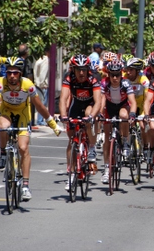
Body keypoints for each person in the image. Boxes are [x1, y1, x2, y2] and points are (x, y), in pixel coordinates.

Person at [0, 57, 60, 201]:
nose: (12, 76)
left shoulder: (28, 84)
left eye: (15, 73)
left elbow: (39, 106)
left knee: (23, 148)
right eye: (9, 73)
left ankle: (26, 186)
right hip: (6, 112)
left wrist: (52, 123)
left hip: (22, 114)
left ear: (20, 74)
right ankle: (3, 154)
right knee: (3, 127)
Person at [59, 55, 102, 190]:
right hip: (76, 105)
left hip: (89, 105)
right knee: (72, 140)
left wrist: (92, 116)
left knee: (89, 116)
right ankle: (71, 172)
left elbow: (98, 101)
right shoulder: (69, 78)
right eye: (78, 70)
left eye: (84, 69)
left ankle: (92, 148)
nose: (81, 73)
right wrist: (63, 116)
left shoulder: (93, 79)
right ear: (73, 70)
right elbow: (63, 98)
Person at [99, 60, 137, 184]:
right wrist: (100, 113)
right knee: (106, 138)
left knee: (123, 115)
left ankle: (125, 141)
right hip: (109, 107)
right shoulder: (104, 83)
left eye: (117, 75)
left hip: (122, 106)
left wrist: (132, 113)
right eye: (112, 75)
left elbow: (133, 101)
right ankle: (106, 169)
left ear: (121, 74)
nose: (115, 78)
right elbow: (102, 100)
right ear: (108, 75)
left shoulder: (125, 83)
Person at [34, 47, 50, 126]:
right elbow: (43, 73)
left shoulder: (40, 59)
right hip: (42, 85)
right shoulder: (46, 60)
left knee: (40, 102)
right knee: (42, 103)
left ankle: (40, 120)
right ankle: (40, 120)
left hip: (38, 84)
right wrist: (43, 84)